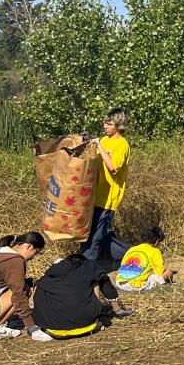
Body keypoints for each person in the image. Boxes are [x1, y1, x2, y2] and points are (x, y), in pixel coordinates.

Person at [32, 253, 132, 339]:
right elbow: (106, 284)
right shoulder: (89, 265)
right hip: (87, 326)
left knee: (41, 286)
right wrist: (117, 309)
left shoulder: (50, 273)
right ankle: (99, 313)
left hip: (52, 330)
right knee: (95, 280)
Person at [79, 107, 131, 263]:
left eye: (109, 124)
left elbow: (113, 168)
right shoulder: (103, 140)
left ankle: (87, 268)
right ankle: (131, 254)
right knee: (95, 233)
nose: (105, 126)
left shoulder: (122, 145)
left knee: (95, 236)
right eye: (104, 123)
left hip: (108, 197)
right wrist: (87, 142)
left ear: (119, 125)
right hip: (94, 195)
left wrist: (99, 146)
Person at [0, 231, 46, 342]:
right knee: (24, 289)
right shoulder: (15, 260)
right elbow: (18, 295)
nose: (33, 257)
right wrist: (32, 327)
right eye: (35, 253)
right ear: (29, 246)